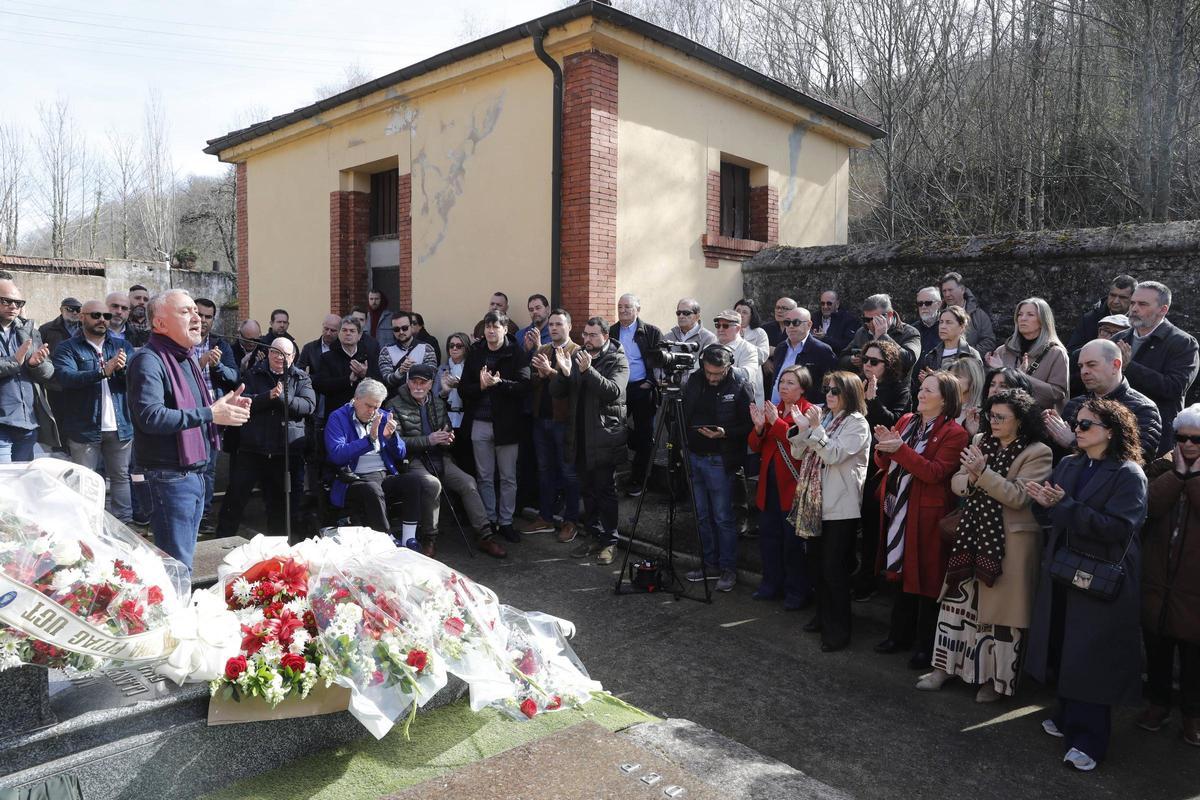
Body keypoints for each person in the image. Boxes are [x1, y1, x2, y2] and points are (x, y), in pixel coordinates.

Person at [1025, 398, 1147, 772]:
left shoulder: (1129, 474)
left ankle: (1089, 741)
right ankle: (1065, 718)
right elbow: (1051, 513)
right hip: (1064, 567)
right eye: (1076, 424)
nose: (1076, 430)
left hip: (1102, 575)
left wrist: (1063, 506)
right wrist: (1043, 502)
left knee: (1092, 656)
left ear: (1110, 431)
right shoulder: (1071, 462)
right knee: (1064, 644)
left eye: (1085, 425)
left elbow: (1118, 527)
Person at [917, 389, 1052, 701]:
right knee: (956, 606)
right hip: (971, 536)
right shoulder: (980, 442)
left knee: (1001, 620)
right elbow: (957, 482)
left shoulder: (1038, 452)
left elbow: (1019, 497)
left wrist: (982, 474)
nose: (993, 422)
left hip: (1009, 547)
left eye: (1001, 417)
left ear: (1021, 420)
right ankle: (944, 668)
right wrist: (975, 478)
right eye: (991, 415)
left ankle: (994, 681)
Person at [126, 290, 251, 569]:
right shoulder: (149, 360)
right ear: (159, 324)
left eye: (196, 311)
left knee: (183, 563)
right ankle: (172, 611)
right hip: (168, 478)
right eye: (185, 312)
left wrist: (221, 407)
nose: (196, 318)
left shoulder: (186, 359)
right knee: (176, 566)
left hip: (193, 473)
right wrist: (210, 412)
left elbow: (193, 412)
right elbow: (150, 416)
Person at [873, 372, 969, 669]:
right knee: (900, 572)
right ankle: (897, 635)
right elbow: (885, 462)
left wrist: (898, 450)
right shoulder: (906, 421)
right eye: (921, 388)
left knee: (927, 580)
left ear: (945, 399)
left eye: (929, 390)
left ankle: (925, 646)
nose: (921, 393)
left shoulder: (956, 433)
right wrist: (883, 450)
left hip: (928, 514)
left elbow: (934, 473)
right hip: (898, 508)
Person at [387, 364, 506, 559]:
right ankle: (429, 538)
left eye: (422, 383)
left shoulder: (438, 403)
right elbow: (395, 442)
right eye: (414, 382)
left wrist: (447, 439)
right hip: (413, 460)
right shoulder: (394, 404)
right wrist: (429, 440)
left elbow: (447, 430)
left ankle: (485, 535)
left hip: (439, 457)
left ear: (430, 384)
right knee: (432, 485)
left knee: (468, 483)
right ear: (407, 382)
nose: (418, 386)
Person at [788, 370, 871, 652]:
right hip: (815, 503)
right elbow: (799, 454)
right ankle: (822, 617)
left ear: (849, 393)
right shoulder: (824, 417)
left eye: (835, 390)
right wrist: (801, 429)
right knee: (815, 565)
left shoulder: (857, 423)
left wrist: (814, 430)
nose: (829, 395)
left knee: (833, 570)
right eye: (827, 389)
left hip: (840, 507)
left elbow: (834, 454)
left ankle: (839, 630)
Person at [1139, 404, 1200, 745]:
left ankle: (1192, 717)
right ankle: (1157, 705)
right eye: (1182, 437)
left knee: (1194, 657)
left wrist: (1191, 479)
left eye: (1197, 439)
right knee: (1157, 645)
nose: (1189, 444)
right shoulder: (1163, 466)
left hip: (1194, 585)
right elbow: (1149, 506)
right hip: (1158, 577)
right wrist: (1177, 476)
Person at [215, 337, 315, 541]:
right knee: (235, 499)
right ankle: (221, 541)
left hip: (283, 453)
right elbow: (242, 401)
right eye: (275, 352)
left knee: (279, 506)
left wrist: (281, 398)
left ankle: (277, 551)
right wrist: (267, 397)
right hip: (252, 449)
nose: (280, 357)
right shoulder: (253, 373)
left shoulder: (301, 378)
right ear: (268, 353)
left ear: (293, 357)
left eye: (285, 354)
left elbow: (308, 406)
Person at [551, 316, 628, 565]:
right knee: (588, 491)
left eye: (593, 335)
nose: (587, 340)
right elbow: (557, 392)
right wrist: (563, 373)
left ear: (605, 336)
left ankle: (610, 541)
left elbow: (613, 392)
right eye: (585, 335)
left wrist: (588, 371)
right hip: (580, 437)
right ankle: (593, 536)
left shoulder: (617, 358)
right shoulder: (578, 356)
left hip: (605, 437)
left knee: (606, 491)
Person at [51, 300, 135, 522]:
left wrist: (123, 370)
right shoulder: (67, 347)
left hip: (120, 426)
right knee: (85, 480)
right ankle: (88, 528)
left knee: (120, 477)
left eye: (107, 316)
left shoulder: (122, 346)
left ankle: (125, 526)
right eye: (96, 315)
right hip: (84, 427)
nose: (102, 320)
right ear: (82, 317)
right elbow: (66, 378)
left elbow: (136, 383)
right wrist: (102, 371)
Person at [681, 344, 753, 592]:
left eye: (718, 373)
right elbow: (681, 414)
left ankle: (727, 568)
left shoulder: (740, 384)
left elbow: (750, 425)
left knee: (723, 517)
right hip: (694, 455)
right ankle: (709, 564)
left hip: (720, 459)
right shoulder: (693, 380)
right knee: (702, 516)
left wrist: (725, 433)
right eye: (709, 372)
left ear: (729, 366)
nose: (712, 377)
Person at [748, 365, 816, 611]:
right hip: (769, 486)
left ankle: (797, 591)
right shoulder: (773, 409)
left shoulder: (809, 412)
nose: (784, 387)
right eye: (782, 382)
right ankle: (770, 584)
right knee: (769, 539)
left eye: (791, 383)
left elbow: (797, 445)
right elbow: (756, 445)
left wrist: (775, 423)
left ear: (802, 388)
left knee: (793, 544)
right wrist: (758, 428)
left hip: (793, 488)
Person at [324, 378, 422, 546]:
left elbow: (401, 453)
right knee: (372, 489)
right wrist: (369, 440)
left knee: (414, 481)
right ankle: (387, 539)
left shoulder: (382, 416)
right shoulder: (338, 417)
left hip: (382, 474)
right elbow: (337, 454)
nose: (372, 411)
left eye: (376, 407)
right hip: (353, 478)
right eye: (368, 406)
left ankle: (409, 538)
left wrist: (391, 438)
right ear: (356, 399)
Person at [460, 310, 529, 542]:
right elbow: (463, 388)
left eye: (495, 326)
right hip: (480, 423)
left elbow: (524, 386)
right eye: (488, 326)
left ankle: (506, 521)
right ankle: (489, 519)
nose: (491, 331)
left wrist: (499, 384)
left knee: (508, 477)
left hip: (507, 425)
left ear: (505, 329)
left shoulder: (516, 352)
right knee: (484, 476)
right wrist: (480, 386)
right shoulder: (476, 353)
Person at [854, 340, 912, 601]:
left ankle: (869, 579)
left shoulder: (900, 388)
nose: (868, 365)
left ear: (887, 365)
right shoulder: (855, 382)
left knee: (871, 526)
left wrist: (873, 400)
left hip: (877, 465)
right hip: (852, 458)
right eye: (865, 359)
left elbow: (894, 423)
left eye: (874, 361)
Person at [1112, 280, 1199, 450]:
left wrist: (1129, 367)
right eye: (1132, 303)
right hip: (1115, 429)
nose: (1134, 309)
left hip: (1156, 433)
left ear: (1163, 309)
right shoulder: (1118, 339)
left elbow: (1174, 388)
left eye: (1142, 304)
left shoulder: (1183, 343)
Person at [1045, 339, 1162, 458]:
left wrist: (1073, 443)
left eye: (1091, 365)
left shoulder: (1143, 409)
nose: (1084, 371)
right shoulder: (1075, 404)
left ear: (1115, 365)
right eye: (1081, 366)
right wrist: (1047, 430)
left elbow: (1138, 458)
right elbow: (1056, 457)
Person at [524, 309, 581, 539]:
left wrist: (549, 372)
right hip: (541, 419)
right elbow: (531, 382)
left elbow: (572, 388)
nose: (554, 328)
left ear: (569, 326)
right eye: (551, 325)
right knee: (544, 470)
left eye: (559, 324)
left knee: (568, 472)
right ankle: (545, 517)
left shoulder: (578, 352)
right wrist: (538, 374)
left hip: (564, 422)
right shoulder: (543, 350)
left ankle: (571, 521)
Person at [0, 275, 56, 461]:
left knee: (20, 485)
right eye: (6, 301)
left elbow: (48, 371)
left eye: (18, 302)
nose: (13, 306)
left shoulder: (28, 331)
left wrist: (35, 364)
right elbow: (14, 362)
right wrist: (15, 361)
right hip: (2, 426)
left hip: (27, 424)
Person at [612, 294, 663, 496]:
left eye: (627, 307)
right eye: (620, 306)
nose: (623, 310)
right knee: (615, 430)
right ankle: (613, 479)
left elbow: (659, 361)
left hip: (642, 388)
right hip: (619, 389)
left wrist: (650, 382)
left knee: (644, 434)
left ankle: (638, 480)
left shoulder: (651, 332)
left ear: (637, 310)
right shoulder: (612, 331)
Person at [985, 298, 1069, 412]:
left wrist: (1017, 375)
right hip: (1003, 418)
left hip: (1039, 422)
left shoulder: (1056, 353)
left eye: (1030, 315)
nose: (1023, 318)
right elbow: (989, 390)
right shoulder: (1002, 351)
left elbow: (1057, 394)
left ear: (1043, 320)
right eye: (1020, 314)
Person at [313, 316, 382, 420]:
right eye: (344, 330)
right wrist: (348, 379)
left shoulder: (369, 356)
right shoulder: (327, 357)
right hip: (337, 414)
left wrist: (365, 375)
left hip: (364, 415)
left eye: (352, 331)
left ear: (359, 335)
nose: (348, 333)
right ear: (339, 334)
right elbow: (319, 384)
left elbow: (381, 385)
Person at [840, 294, 922, 382]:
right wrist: (851, 360)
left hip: (895, 389)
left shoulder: (909, 332)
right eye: (866, 320)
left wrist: (883, 336)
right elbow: (842, 358)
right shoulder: (863, 331)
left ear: (889, 315)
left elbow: (909, 361)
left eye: (875, 319)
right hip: (867, 387)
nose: (870, 324)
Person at [766, 305, 834, 406]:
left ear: (809, 325)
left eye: (796, 322)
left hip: (807, 411)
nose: (791, 326)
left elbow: (830, 383)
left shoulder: (822, 350)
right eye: (787, 323)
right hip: (777, 409)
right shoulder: (781, 348)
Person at [1066, 274, 1137, 351]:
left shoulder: (1140, 320)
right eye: (1113, 295)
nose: (1116, 301)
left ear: (1133, 299)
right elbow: (1072, 352)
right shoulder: (1090, 318)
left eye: (1122, 297)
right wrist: (1097, 345)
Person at [713, 309, 764, 406]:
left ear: (738, 329)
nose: (720, 329)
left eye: (725, 326)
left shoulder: (749, 349)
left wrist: (718, 370)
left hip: (740, 405)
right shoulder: (710, 348)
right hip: (714, 403)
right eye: (718, 325)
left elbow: (746, 375)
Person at [916, 305, 983, 380]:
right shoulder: (931, 356)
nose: (943, 326)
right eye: (941, 322)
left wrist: (936, 379)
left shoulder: (971, 356)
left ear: (962, 327)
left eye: (948, 322)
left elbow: (976, 387)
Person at [939, 272, 996, 354]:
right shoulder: (937, 315)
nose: (947, 294)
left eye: (950, 290)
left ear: (962, 290)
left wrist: (966, 353)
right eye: (944, 291)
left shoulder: (979, 315)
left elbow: (989, 342)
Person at [379, 310, 438, 389]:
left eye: (404, 328)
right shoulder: (386, 351)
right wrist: (400, 372)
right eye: (396, 329)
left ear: (411, 326)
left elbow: (431, 376)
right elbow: (387, 379)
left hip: (420, 397)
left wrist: (414, 369)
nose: (401, 332)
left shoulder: (427, 348)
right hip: (395, 398)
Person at [663, 297, 717, 371]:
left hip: (695, 382)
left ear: (697, 316)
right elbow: (658, 364)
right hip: (670, 381)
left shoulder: (708, 338)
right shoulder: (668, 338)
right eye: (678, 313)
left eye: (686, 313)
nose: (681, 316)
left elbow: (707, 367)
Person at [437, 332, 471, 432]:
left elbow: (475, 393)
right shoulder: (442, 369)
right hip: (446, 417)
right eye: (451, 346)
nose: (454, 348)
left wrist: (460, 386)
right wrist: (445, 392)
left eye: (459, 346)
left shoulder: (471, 368)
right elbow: (434, 396)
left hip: (467, 416)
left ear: (466, 348)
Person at [813, 290, 859, 356]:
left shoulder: (848, 320)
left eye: (829, 303)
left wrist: (825, 338)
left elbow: (847, 345)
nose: (825, 307)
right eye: (822, 303)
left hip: (837, 358)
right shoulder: (815, 317)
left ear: (837, 304)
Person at [948, 357, 986, 436]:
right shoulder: (944, 406)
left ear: (973, 380)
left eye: (957, 376)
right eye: (950, 376)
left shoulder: (982, 413)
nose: (952, 380)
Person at [735, 298, 770, 365]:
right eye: (738, 311)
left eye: (744, 312)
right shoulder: (725, 329)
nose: (740, 315)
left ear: (751, 316)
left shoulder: (759, 333)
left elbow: (763, 356)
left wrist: (741, 342)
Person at [913, 286, 943, 360]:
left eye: (928, 303)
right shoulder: (912, 330)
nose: (923, 307)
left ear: (939, 304)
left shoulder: (947, 328)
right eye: (920, 303)